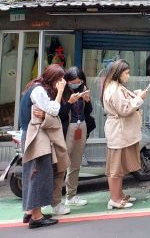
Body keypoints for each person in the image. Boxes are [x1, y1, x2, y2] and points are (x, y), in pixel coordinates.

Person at [20, 65, 69, 229]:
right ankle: (36, 217)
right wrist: (61, 92)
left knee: (32, 174)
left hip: (31, 135)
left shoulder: (33, 88)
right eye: (59, 79)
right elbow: (53, 111)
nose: (61, 82)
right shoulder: (39, 90)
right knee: (39, 175)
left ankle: (30, 212)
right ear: (53, 78)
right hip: (36, 137)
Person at [101, 59, 147, 210]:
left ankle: (119, 195)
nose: (128, 75)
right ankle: (114, 198)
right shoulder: (114, 89)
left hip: (121, 132)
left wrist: (136, 96)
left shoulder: (116, 87)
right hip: (118, 133)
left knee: (119, 167)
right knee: (115, 168)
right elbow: (124, 109)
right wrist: (140, 98)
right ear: (119, 74)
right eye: (126, 73)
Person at [58, 67, 95, 208]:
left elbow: (88, 111)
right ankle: (55, 199)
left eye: (79, 81)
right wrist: (69, 103)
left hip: (82, 126)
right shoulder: (61, 92)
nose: (76, 84)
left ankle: (71, 196)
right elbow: (59, 114)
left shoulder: (82, 89)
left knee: (75, 163)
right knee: (62, 164)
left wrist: (88, 101)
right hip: (68, 129)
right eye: (73, 81)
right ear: (67, 81)